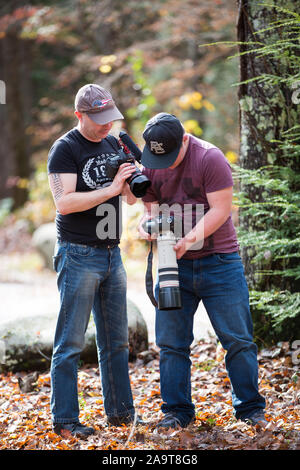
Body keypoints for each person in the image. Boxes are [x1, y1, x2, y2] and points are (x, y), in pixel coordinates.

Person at [138, 112, 266, 430]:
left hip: (219, 261)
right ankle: (177, 412)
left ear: (184, 139)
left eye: (169, 155)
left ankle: (250, 410)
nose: (163, 164)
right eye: (157, 157)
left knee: (238, 340)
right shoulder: (151, 161)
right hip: (173, 263)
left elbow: (222, 208)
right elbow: (150, 211)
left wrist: (189, 239)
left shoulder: (209, 158)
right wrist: (147, 227)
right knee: (171, 343)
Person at [47, 83, 139, 438]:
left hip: (112, 253)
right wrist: (112, 188)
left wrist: (131, 181)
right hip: (78, 252)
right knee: (70, 343)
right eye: (99, 119)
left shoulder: (114, 143)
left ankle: (120, 415)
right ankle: (66, 421)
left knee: (116, 341)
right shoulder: (64, 149)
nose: (106, 125)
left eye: (109, 118)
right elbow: (64, 203)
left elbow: (129, 201)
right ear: (79, 115)